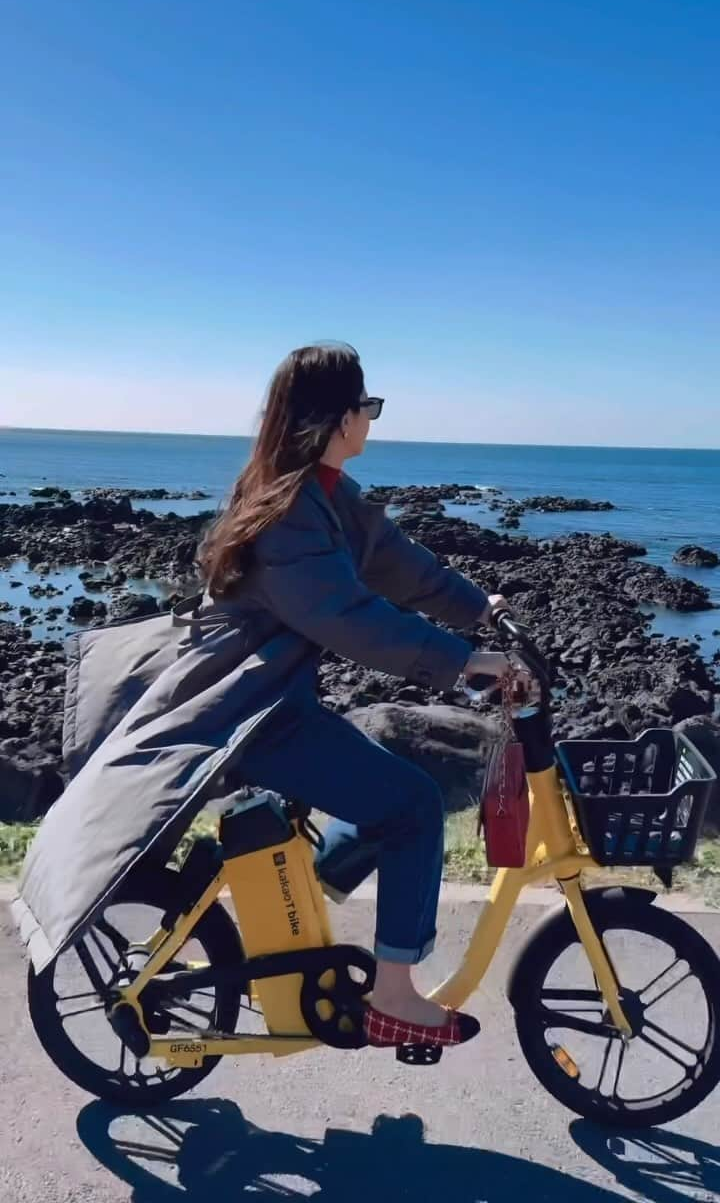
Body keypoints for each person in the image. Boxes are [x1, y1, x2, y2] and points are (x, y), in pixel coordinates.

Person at [199, 342, 521, 1050]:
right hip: (253, 717)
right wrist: (467, 662)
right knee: (410, 803)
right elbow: (348, 617)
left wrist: (479, 610)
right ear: (339, 417)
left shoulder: (325, 492)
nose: (372, 419)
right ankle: (395, 996)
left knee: (382, 774)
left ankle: (305, 909)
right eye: (368, 407)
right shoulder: (287, 512)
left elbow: (400, 564)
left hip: (276, 701)